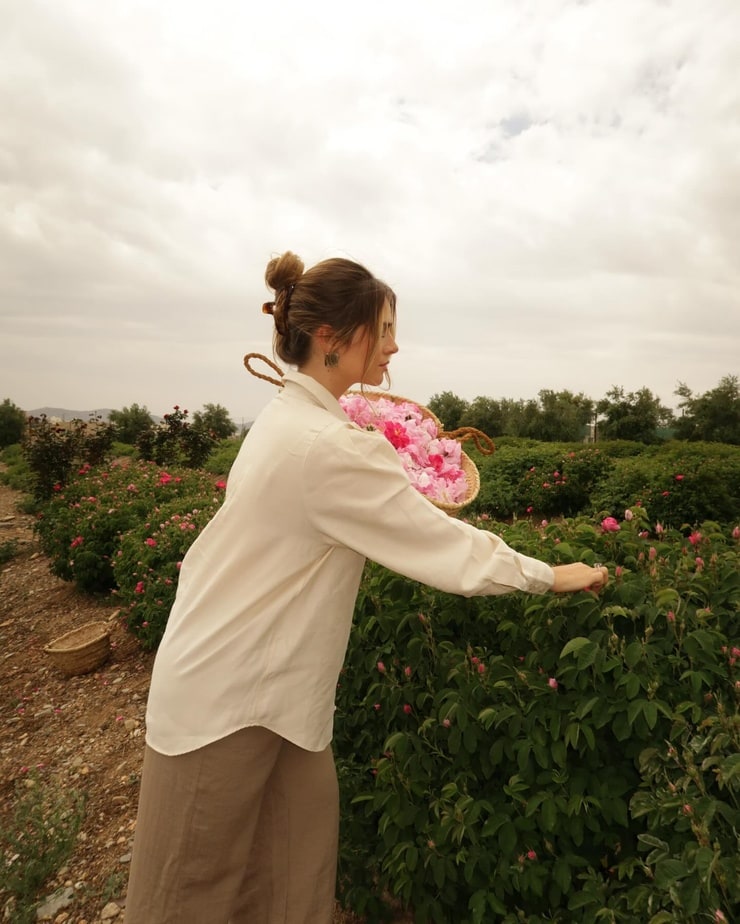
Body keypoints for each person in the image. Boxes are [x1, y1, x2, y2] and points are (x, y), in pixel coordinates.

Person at [123, 251, 609, 923]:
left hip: (279, 692)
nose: (394, 345)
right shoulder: (325, 444)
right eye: (381, 329)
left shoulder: (300, 420)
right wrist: (548, 574)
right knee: (192, 895)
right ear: (330, 336)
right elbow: (439, 545)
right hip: (225, 697)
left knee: (295, 876)